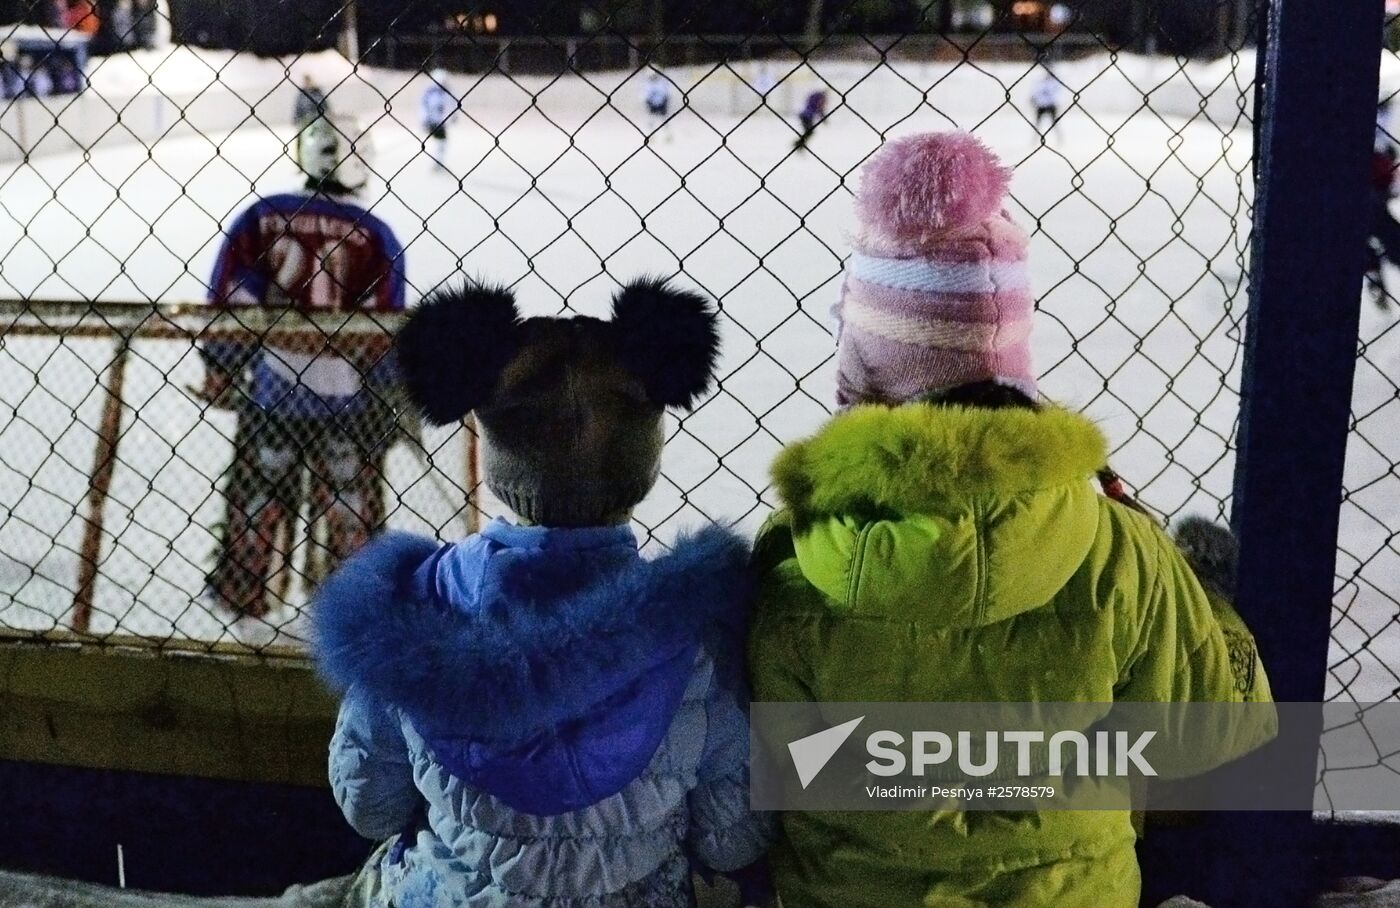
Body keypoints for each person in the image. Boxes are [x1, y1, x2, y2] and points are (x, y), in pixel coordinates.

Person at [747, 132, 1274, 908]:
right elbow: (1205, 740)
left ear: (862, 366)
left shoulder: (798, 561)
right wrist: (1210, 607)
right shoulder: (1122, 551)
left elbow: (779, 768)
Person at [310, 277, 774, 906]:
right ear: (644, 457)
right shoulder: (694, 638)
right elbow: (733, 837)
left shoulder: (413, 611)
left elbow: (368, 803)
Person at [200, 113, 406, 619]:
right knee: (349, 508)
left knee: (257, 500)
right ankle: (351, 610)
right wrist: (385, 391)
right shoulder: (375, 234)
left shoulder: (262, 216)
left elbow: (234, 298)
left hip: (274, 388)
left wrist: (222, 365)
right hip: (345, 396)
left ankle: (244, 599)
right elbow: (383, 325)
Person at [420, 68, 453, 170]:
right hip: (434, 122)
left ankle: (438, 161)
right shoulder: (432, 93)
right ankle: (437, 161)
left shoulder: (440, 92)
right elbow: (424, 108)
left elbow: (451, 104)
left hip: (438, 122)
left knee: (441, 142)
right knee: (441, 141)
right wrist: (424, 120)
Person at [1030, 66, 1064, 141]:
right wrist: (1034, 99)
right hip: (1042, 105)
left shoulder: (1054, 83)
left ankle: (1059, 138)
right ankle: (1034, 138)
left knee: (1054, 122)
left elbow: (1057, 94)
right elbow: (1036, 93)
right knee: (1038, 123)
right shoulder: (1042, 83)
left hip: (1050, 105)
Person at [642, 68, 672, 141]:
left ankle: (667, 135)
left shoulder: (661, 83)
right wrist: (649, 103)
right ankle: (651, 135)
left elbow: (666, 93)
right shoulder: (648, 85)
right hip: (652, 104)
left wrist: (664, 101)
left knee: (664, 120)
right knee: (651, 120)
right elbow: (645, 96)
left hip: (661, 103)